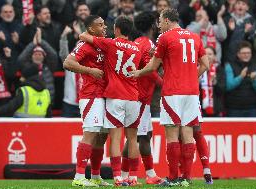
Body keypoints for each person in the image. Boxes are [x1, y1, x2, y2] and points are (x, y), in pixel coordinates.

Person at [132, 9, 210, 186]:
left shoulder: (166, 38)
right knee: (188, 134)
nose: (159, 24)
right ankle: (187, 178)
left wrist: (137, 73)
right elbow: (206, 64)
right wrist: (191, 76)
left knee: (172, 135)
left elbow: (152, 67)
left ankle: (173, 177)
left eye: (160, 20)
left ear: (167, 20)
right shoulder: (194, 37)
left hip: (172, 91)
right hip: (191, 92)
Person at [79, 15, 142, 186]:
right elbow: (147, 66)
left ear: (117, 30)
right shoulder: (137, 48)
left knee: (115, 138)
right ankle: (134, 177)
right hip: (133, 97)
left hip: (115, 96)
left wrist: (86, 33)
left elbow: (84, 36)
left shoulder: (111, 43)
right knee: (133, 138)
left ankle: (117, 177)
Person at [63, 15, 111, 187]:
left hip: (105, 95)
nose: (104, 27)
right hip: (91, 95)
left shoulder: (103, 44)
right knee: (90, 133)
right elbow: (68, 62)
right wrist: (89, 70)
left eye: (105, 24)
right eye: (100, 25)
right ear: (91, 29)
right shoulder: (85, 45)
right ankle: (79, 176)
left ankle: (96, 176)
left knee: (102, 136)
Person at [120, 11, 163, 185]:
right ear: (152, 25)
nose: (158, 25)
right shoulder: (147, 44)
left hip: (138, 97)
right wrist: (164, 83)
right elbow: (149, 70)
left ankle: (146, 174)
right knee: (136, 137)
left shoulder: (137, 42)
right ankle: (128, 176)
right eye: (156, 22)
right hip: (138, 98)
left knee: (144, 136)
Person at [225, 41, 256, 117]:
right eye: (244, 53)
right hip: (234, 108)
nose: (246, 55)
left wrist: (254, 80)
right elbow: (228, 86)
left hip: (252, 108)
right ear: (238, 54)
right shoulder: (229, 66)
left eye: (248, 53)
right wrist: (240, 77)